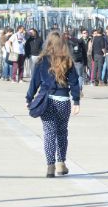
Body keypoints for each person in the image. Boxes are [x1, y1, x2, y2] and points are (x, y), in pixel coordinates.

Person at [25, 31, 81, 178]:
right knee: (62, 133)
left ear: (48, 43)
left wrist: (29, 98)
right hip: (63, 101)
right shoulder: (67, 60)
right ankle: (61, 163)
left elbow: (34, 82)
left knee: (49, 134)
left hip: (47, 100)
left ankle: (50, 166)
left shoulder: (42, 60)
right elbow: (75, 82)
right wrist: (76, 101)